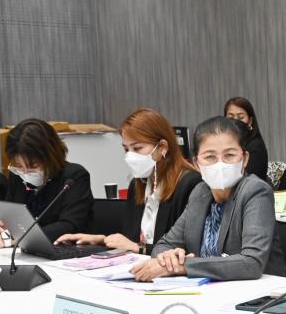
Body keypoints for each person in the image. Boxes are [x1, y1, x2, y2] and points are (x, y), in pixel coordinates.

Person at [130, 116, 286, 281]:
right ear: (196, 164)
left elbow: (251, 263)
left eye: (230, 155)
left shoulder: (256, 191)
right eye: (210, 157)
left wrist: (184, 266)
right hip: (208, 289)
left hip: (262, 291)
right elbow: (164, 245)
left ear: (245, 159)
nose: (220, 164)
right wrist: (169, 257)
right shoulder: (200, 192)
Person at [55, 108, 202, 255]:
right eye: (126, 149)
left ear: (162, 148)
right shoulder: (137, 185)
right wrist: (102, 240)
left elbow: (187, 250)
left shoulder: (190, 183)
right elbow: (131, 240)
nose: (130, 156)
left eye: (137, 148)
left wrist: (139, 248)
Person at [0, 119, 93, 248]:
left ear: (51, 156)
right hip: (25, 252)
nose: (25, 172)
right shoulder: (17, 176)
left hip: (67, 250)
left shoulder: (74, 176)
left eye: (33, 165)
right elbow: (10, 215)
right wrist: (0, 227)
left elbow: (69, 226)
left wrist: (9, 240)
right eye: (19, 165)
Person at [224, 97, 268, 181]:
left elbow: (248, 179)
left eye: (241, 117)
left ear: (250, 121)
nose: (235, 121)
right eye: (230, 118)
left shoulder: (255, 147)